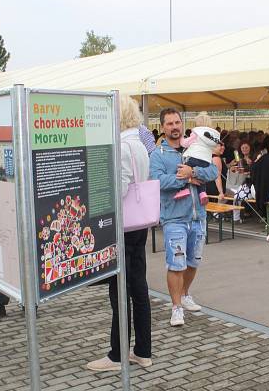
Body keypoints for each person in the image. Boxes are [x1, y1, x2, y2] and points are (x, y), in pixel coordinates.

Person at [88, 96, 153, 371]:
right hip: (139, 224)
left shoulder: (123, 147)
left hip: (124, 226)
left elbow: (121, 188)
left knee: (119, 292)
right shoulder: (138, 144)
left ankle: (117, 355)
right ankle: (143, 351)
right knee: (138, 288)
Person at [150, 108, 218, 327]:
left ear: (182, 123)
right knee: (176, 264)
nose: (174, 127)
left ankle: (186, 294)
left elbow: (212, 172)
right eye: (169, 123)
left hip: (198, 217)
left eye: (177, 122)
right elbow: (159, 182)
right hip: (174, 218)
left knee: (193, 261)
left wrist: (194, 173)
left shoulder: (195, 146)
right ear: (162, 127)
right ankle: (176, 307)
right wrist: (185, 178)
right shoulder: (157, 154)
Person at [172, 112, 221, 205]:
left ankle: (184, 189)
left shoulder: (197, 133)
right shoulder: (211, 137)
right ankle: (202, 193)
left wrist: (182, 138)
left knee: (183, 169)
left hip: (194, 158)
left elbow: (185, 143)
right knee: (201, 179)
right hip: (206, 160)